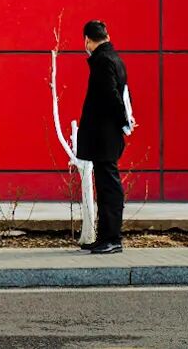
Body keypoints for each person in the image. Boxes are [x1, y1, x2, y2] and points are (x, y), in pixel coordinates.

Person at [76, 20, 128, 254]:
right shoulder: (115, 59)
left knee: (109, 187)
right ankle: (105, 237)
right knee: (106, 186)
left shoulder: (103, 61)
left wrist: (123, 121)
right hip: (108, 135)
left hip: (104, 136)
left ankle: (112, 239)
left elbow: (112, 96)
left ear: (87, 40)